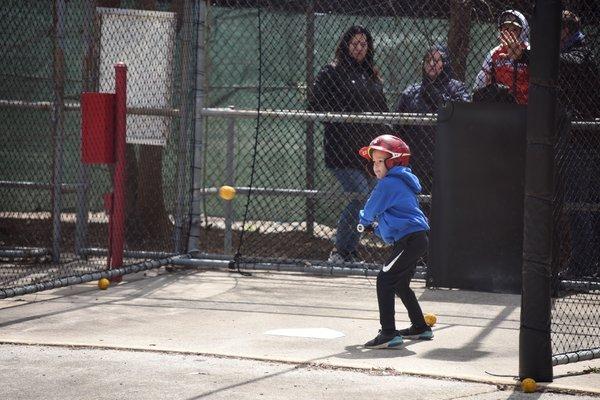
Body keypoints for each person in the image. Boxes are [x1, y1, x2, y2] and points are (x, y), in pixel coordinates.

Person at [309, 25, 389, 263]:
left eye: (364, 44)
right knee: (360, 194)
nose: (359, 48)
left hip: (367, 152)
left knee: (369, 198)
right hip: (341, 151)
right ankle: (340, 251)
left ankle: (350, 251)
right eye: (354, 43)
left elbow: (381, 110)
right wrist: (343, 115)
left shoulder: (371, 75)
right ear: (345, 45)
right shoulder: (332, 72)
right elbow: (315, 104)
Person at [357, 134, 431, 349]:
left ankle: (388, 333)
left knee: (384, 280)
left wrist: (363, 221)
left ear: (395, 161)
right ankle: (420, 327)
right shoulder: (401, 182)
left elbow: (370, 209)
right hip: (415, 239)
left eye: (381, 161)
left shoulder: (389, 184)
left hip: (409, 240)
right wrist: (375, 228)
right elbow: (389, 226)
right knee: (399, 283)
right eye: (374, 162)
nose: (376, 166)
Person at [556, 10, 600, 281]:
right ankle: (586, 264)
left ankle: (584, 266)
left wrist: (528, 54)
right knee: (583, 202)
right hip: (578, 138)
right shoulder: (576, 51)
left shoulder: (579, 53)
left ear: (563, 31)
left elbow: (563, 65)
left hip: (582, 141)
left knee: (579, 202)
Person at [395, 45, 469, 196]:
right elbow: (397, 128)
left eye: (437, 60)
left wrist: (434, 94)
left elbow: (463, 117)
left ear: (445, 63)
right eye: (428, 60)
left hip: (446, 161)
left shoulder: (457, 88)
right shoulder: (412, 92)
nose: (431, 63)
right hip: (417, 162)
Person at [473, 10, 530, 105]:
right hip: (501, 104)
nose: (510, 33)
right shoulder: (494, 53)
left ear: (523, 31)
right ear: (501, 30)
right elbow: (480, 81)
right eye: (506, 29)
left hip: (526, 105)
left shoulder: (529, 50)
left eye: (515, 29)